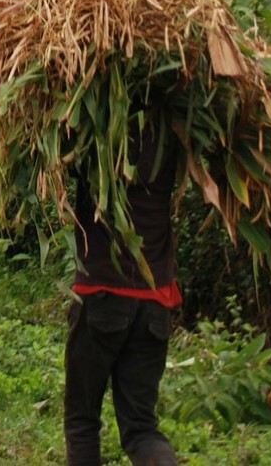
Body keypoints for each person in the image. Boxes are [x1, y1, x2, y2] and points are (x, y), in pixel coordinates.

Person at [64, 120, 181, 466]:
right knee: (142, 428)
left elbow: (56, 155)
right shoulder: (170, 133)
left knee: (83, 420)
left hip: (101, 294)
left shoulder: (96, 127)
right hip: (155, 302)